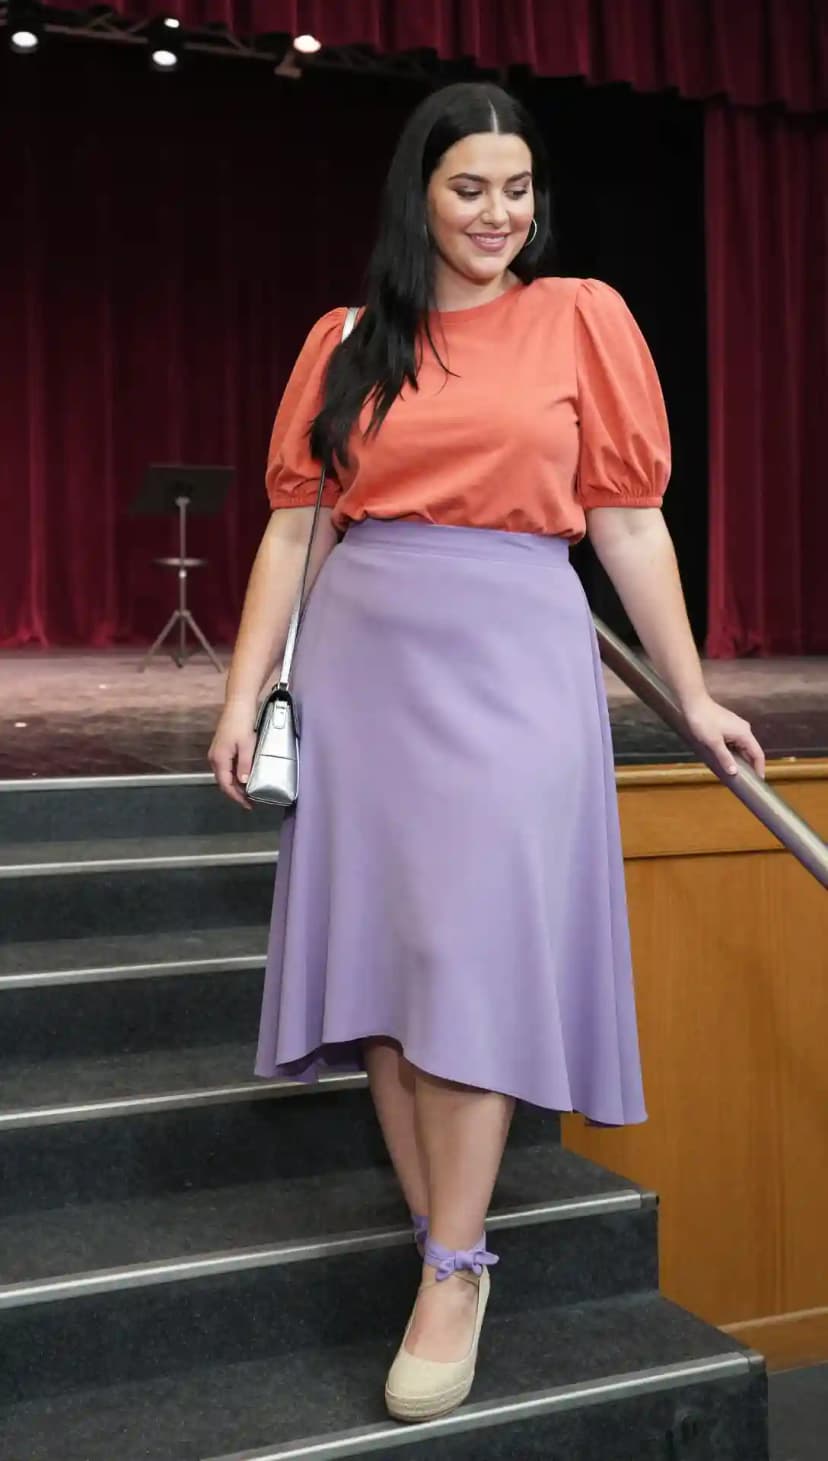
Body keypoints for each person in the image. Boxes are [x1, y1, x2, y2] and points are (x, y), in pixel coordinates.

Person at [209, 80, 766, 1424]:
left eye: (518, 190)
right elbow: (296, 526)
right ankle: (436, 1238)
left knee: (468, 955)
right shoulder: (348, 339)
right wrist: (245, 693)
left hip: (515, 662)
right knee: (391, 969)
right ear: (419, 195)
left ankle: (459, 1266)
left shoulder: (582, 317)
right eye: (470, 188)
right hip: (365, 670)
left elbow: (629, 521)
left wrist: (691, 696)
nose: (497, 214)